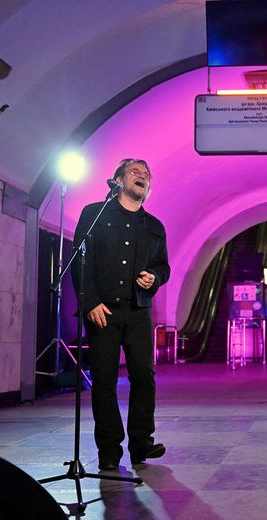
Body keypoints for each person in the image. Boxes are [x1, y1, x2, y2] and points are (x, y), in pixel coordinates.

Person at [72, 158, 171, 470]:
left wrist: (154, 277)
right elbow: (79, 261)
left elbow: (163, 268)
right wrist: (89, 302)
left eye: (146, 173)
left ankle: (142, 442)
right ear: (117, 181)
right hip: (103, 311)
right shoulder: (94, 213)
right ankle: (109, 451)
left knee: (144, 377)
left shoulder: (154, 226)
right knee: (105, 382)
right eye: (135, 171)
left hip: (138, 311)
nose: (142, 175)